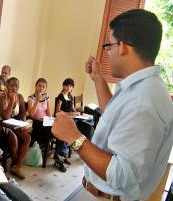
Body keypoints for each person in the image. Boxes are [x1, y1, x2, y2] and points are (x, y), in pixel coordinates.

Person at [51, 9, 173, 201]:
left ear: (123, 46)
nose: (108, 53)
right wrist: (98, 78)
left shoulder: (145, 101)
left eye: (109, 46)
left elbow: (123, 175)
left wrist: (74, 137)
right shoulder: (140, 88)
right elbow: (116, 118)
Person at [0, 77, 31, 179]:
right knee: (13, 137)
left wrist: (24, 123)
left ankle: (18, 165)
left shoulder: (20, 97)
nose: (14, 88)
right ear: (7, 86)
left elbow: (22, 112)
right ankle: (14, 163)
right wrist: (12, 100)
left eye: (16, 86)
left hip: (10, 124)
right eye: (12, 85)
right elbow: (5, 116)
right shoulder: (0, 97)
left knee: (27, 137)